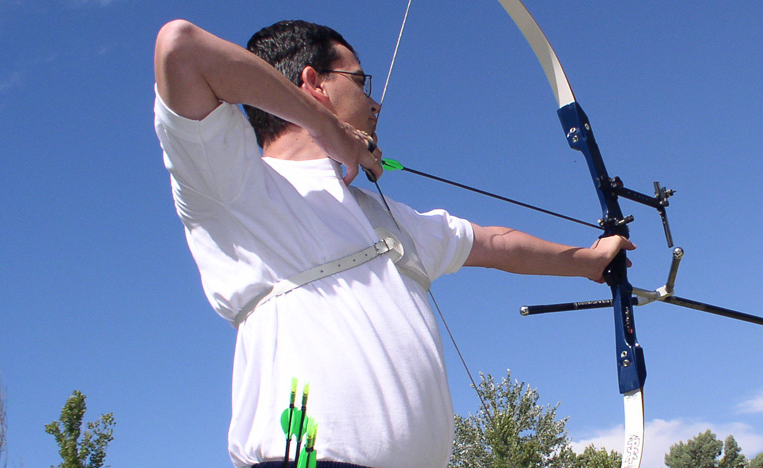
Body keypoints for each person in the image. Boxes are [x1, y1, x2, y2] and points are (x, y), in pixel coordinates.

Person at [152, 19, 633, 468]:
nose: (375, 103)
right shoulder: (237, 186)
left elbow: (495, 243)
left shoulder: (388, 218)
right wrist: (329, 129)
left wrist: (589, 261)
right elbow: (181, 47)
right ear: (315, 83)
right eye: (361, 83)